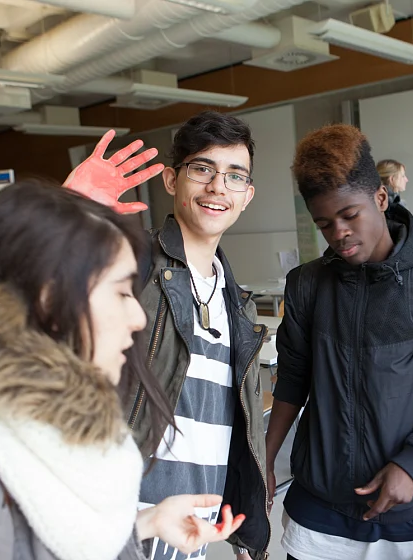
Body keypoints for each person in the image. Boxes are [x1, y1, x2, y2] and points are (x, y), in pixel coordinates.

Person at [0, 179, 245, 560]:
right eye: (122, 292)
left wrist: (142, 525)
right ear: (51, 300)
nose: (138, 317)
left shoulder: (16, 427)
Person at [265, 124, 413, 560]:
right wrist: (265, 460)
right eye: (324, 223)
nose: (338, 233)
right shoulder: (307, 285)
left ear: (381, 199)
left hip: (404, 507)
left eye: (350, 215)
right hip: (316, 509)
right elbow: (292, 380)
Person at [68, 112, 270, 560]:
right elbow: (32, 297)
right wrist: (67, 212)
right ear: (170, 179)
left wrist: (247, 524)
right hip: (113, 523)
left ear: (247, 196)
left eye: (234, 176)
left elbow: (235, 421)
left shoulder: (237, 302)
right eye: (202, 169)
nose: (218, 187)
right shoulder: (130, 260)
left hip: (186, 532)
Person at [377, 159, 413, 242]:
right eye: (403, 176)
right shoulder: (383, 206)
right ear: (392, 180)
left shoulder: (399, 203)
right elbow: (391, 242)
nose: (406, 179)